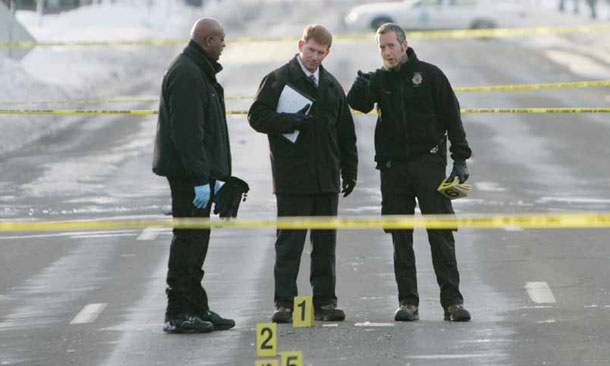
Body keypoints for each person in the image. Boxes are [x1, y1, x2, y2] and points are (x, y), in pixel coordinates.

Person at [347, 23, 472, 322]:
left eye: (391, 46)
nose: (387, 52)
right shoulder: (379, 79)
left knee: (441, 232)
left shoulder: (429, 75)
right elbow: (358, 105)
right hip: (392, 168)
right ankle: (408, 302)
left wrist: (460, 159)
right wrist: (360, 84)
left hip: (429, 164)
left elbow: (452, 116)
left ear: (404, 45)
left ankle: (452, 302)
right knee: (399, 235)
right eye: (382, 47)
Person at [248, 24, 358, 323]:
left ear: (328, 53)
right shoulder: (278, 79)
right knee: (290, 244)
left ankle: (324, 303)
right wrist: (291, 121)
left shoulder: (332, 85)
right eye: (310, 50)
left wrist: (349, 170)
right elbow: (256, 116)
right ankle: (285, 303)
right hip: (292, 178)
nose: (314, 57)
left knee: (325, 245)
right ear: (300, 45)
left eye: (321, 53)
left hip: (326, 179)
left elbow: (346, 134)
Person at [152, 17, 235, 333]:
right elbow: (187, 134)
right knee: (188, 239)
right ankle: (177, 312)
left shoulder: (199, 70)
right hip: (189, 175)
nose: (224, 46)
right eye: (222, 40)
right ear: (209, 40)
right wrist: (201, 178)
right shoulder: (188, 73)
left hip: (198, 172)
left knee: (198, 239)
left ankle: (196, 307)